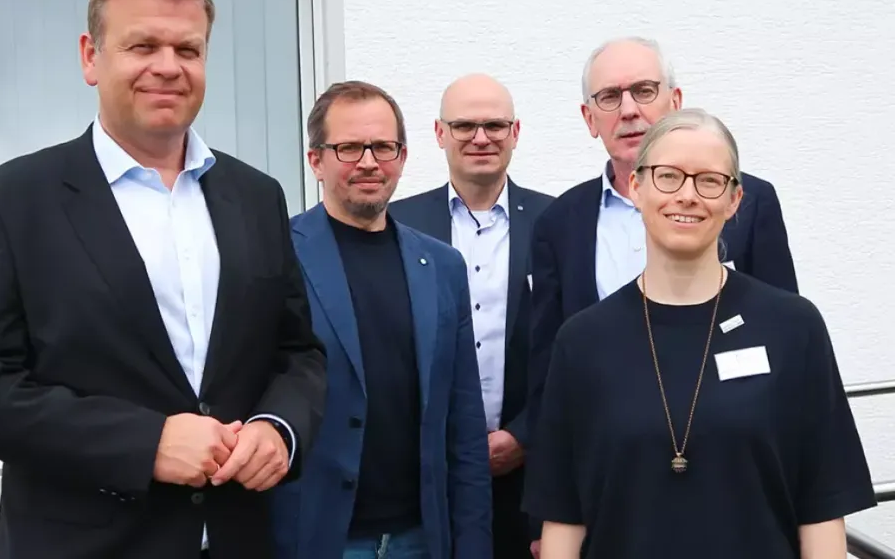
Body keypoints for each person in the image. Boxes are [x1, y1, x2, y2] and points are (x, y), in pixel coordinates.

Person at [0, 0, 326, 559]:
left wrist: (279, 430)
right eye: (143, 47)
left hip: (238, 540)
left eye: (188, 49)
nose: (168, 67)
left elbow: (297, 352)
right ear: (92, 58)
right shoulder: (7, 203)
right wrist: (144, 443)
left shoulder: (256, 196)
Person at [522, 108, 876, 558]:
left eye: (709, 180)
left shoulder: (793, 327)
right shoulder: (582, 342)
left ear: (734, 201)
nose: (687, 195)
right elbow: (563, 521)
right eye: (668, 176)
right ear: (637, 187)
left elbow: (822, 508)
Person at [528, 35, 799, 457]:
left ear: (675, 101)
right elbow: (549, 370)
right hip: (606, 459)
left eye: (644, 90)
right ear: (589, 118)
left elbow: (785, 341)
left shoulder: (746, 199)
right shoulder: (559, 223)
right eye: (609, 97)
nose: (629, 109)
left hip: (729, 452)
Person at [270, 80, 491, 559]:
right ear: (316, 161)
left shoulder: (442, 266)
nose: (369, 162)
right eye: (349, 147)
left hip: (420, 537)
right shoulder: (276, 256)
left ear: (403, 156)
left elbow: (464, 425)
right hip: (317, 537)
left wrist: (473, 544)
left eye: (383, 147)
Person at [391, 73, 553, 558]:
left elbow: (572, 349)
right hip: (426, 475)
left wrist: (524, 435)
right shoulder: (397, 226)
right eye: (464, 125)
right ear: (439, 134)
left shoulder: (557, 225)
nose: (480, 138)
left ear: (516, 132)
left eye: (494, 125)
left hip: (533, 475)